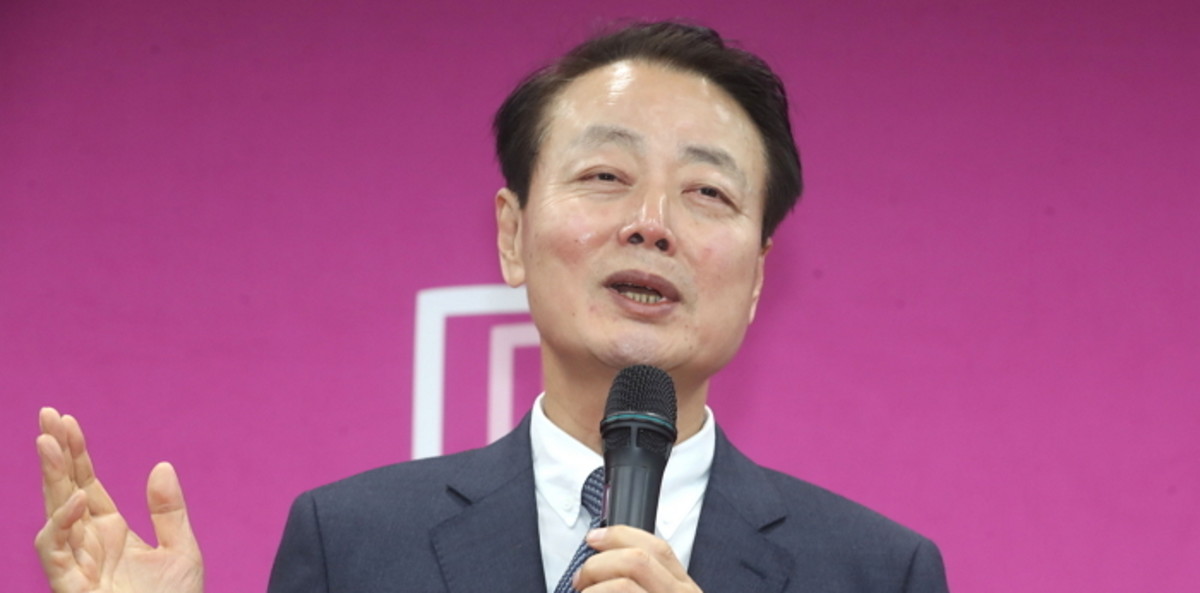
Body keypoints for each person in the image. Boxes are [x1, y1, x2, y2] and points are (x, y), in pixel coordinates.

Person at [36, 21, 949, 593]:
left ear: (755, 278)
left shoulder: (877, 572)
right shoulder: (353, 544)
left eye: (707, 193)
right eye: (606, 176)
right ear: (512, 234)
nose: (652, 223)